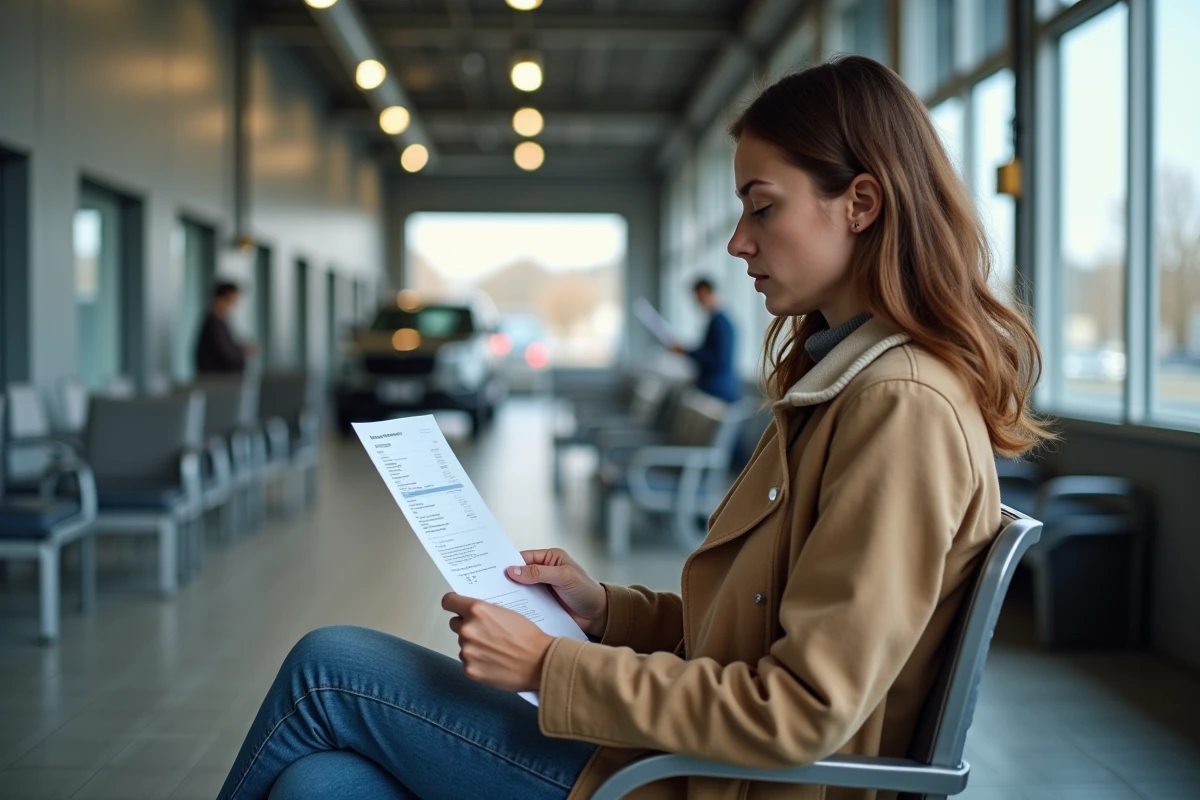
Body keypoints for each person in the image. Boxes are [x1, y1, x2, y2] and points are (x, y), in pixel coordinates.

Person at [218, 56, 1051, 800]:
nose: (739, 242)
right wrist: (602, 613)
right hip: (694, 760)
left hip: (708, 780)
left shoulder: (899, 406)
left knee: (329, 669)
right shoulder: (847, 386)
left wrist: (548, 664)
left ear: (861, 203)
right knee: (318, 785)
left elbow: (801, 708)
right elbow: (756, 626)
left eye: (763, 209)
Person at [669, 278, 740, 402]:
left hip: (717, 389)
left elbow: (718, 359)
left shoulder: (720, 323)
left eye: (699, 297)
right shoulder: (717, 321)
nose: (697, 301)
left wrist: (686, 351)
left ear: (707, 293)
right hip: (716, 386)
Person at [196, 281, 256, 375]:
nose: (232, 305)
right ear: (219, 299)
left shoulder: (221, 321)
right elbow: (224, 353)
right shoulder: (213, 324)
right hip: (216, 378)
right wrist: (241, 353)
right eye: (230, 300)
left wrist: (241, 350)